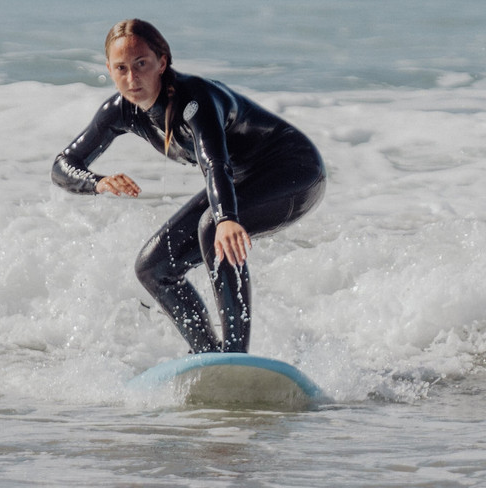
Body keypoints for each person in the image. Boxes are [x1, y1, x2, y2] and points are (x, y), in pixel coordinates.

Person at [52, 19, 326, 354]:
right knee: (153, 268)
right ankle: (208, 354)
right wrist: (98, 182)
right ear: (109, 69)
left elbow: (215, 163)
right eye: (121, 68)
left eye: (141, 64)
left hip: (295, 170)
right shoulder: (121, 111)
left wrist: (227, 218)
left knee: (213, 226)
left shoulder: (194, 99)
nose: (132, 78)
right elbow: (63, 165)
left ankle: (234, 354)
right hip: (241, 180)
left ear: (162, 62)